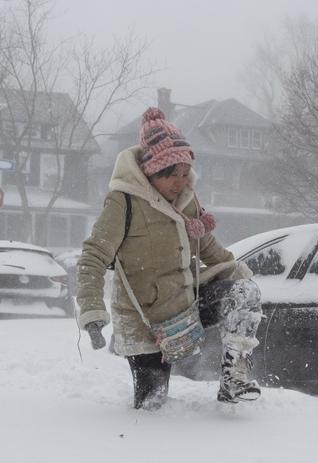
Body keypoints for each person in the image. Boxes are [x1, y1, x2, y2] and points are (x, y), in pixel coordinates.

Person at [76, 107, 263, 410]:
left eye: (184, 173)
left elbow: (210, 249)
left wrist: (244, 277)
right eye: (171, 175)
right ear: (151, 172)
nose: (180, 182)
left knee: (243, 291)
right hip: (144, 320)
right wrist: (92, 311)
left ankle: (235, 378)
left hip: (186, 305)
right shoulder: (123, 201)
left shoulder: (187, 201)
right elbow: (93, 256)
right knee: (152, 405)